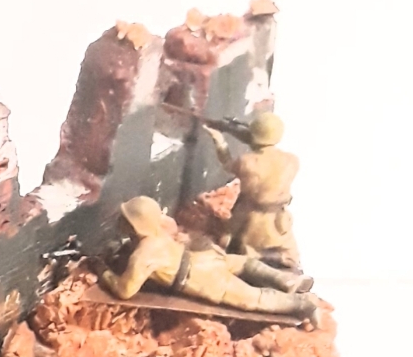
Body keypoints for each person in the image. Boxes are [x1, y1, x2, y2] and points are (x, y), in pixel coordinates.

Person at [99, 197, 319, 321]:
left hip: (200, 277)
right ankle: (285, 280)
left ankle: (303, 304)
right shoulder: (160, 230)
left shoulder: (144, 255)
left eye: (125, 219)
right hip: (203, 258)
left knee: (253, 299)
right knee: (243, 263)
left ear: (134, 225)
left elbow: (125, 291)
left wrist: (103, 271)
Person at [204, 112, 302, 268]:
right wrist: (240, 132)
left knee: (235, 251)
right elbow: (267, 155)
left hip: (251, 222)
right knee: (288, 257)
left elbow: (228, 164)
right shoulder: (292, 161)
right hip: (279, 222)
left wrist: (219, 140)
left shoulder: (247, 162)